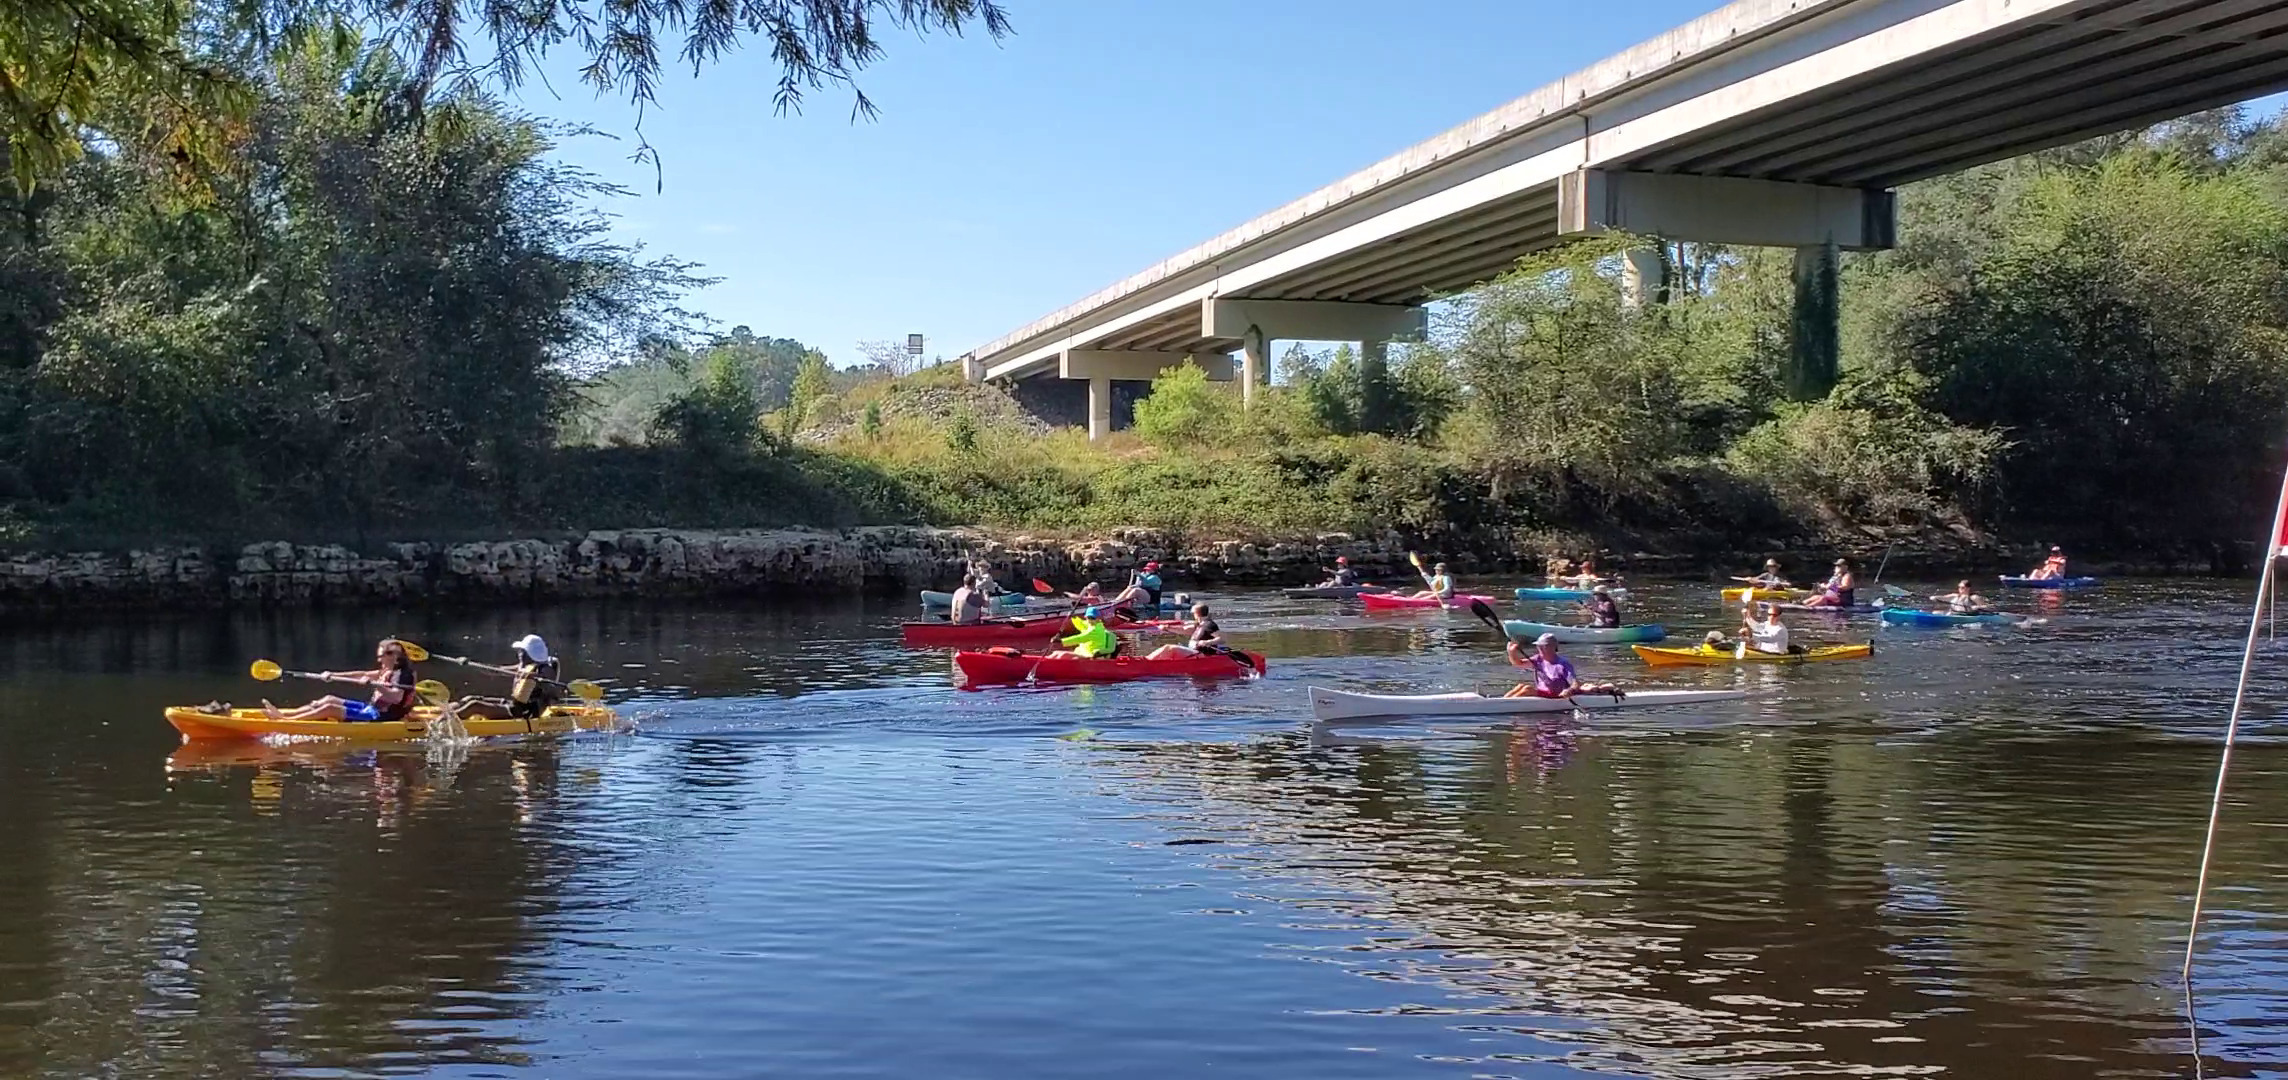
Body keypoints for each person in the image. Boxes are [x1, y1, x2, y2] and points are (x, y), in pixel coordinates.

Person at [261, 638, 420, 723]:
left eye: (381, 657)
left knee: (330, 708)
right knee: (329, 698)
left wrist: (376, 686)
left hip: (383, 717)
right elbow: (361, 674)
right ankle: (284, 714)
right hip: (372, 710)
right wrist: (333, 675)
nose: (379, 660)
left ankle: (286, 721)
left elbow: (396, 697)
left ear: (394, 656)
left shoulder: (403, 674)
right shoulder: (389, 669)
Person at [458, 635, 565, 720]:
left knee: (475, 705)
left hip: (525, 713)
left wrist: (536, 678)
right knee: (470, 698)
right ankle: (446, 713)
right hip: (513, 706)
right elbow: (495, 670)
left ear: (530, 654)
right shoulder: (522, 667)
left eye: (522, 651)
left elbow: (553, 691)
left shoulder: (545, 669)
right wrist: (469, 663)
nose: (519, 654)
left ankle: (446, 722)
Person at [1503, 633, 1622, 700]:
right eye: (1538, 646)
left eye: (1542, 647)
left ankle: (1504, 704)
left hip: (1557, 696)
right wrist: (1511, 652)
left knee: (1527, 689)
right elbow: (1517, 663)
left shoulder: (1562, 664)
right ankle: (1502, 702)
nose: (1538, 649)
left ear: (1551, 648)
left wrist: (1569, 690)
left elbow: (1575, 684)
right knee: (1521, 686)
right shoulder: (1538, 659)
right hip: (1544, 693)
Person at [1147, 603, 1225, 660]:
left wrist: (1206, 642)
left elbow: (1221, 639)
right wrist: (1167, 628)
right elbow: (1184, 629)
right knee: (1168, 648)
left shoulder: (1209, 624)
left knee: (1170, 647)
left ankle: (1148, 661)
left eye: (1193, 613)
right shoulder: (1199, 624)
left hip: (1202, 655)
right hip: (1194, 652)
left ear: (1197, 613)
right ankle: (1150, 660)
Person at [1050, 608, 1120, 659]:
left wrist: (1061, 641)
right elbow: (1082, 624)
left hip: (1090, 655)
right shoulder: (1090, 624)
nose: (1090, 620)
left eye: (1092, 618)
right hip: (1083, 652)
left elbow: (1081, 638)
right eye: (1088, 618)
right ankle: (1045, 662)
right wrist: (1074, 617)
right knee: (1055, 653)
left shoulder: (1095, 630)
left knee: (1063, 655)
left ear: (1098, 618)